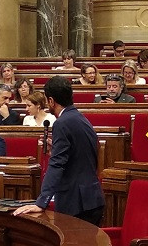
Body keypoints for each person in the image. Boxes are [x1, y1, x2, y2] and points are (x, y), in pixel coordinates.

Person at [13, 76, 106, 225]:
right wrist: (55, 150)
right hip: (91, 198)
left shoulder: (62, 123)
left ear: (51, 100)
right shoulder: (81, 118)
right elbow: (80, 155)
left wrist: (41, 202)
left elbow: (57, 164)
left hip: (76, 203)